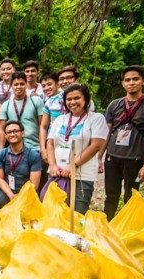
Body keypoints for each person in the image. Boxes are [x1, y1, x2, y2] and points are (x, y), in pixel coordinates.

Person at [100, 65, 144, 218]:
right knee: (111, 195)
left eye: (135, 79)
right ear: (123, 83)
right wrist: (99, 157)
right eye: (127, 80)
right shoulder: (114, 105)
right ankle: (107, 223)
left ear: (143, 81)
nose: (131, 83)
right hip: (113, 157)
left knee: (131, 195)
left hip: (135, 159)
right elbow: (106, 132)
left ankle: (128, 225)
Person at [45, 83, 108, 214]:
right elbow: (50, 143)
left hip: (82, 176)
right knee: (54, 213)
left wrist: (73, 166)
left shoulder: (96, 118)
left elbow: (96, 145)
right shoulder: (60, 119)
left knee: (77, 215)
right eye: (69, 99)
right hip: (58, 173)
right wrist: (52, 165)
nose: (72, 102)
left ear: (86, 99)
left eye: (77, 98)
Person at [0, 121, 42, 210]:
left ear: (22, 133)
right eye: (9, 132)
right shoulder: (1, 154)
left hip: (27, 192)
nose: (12, 134)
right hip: (7, 191)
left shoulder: (33, 155)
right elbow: (0, 179)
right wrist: (11, 195)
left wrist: (20, 196)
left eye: (15, 131)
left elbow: (34, 185)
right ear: (5, 136)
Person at [0, 71, 45, 152]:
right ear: (11, 86)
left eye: (22, 84)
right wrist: (1, 150)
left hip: (34, 148)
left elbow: (42, 126)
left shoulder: (36, 101)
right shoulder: (6, 105)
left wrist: (43, 148)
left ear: (26, 84)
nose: (18, 87)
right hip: (14, 149)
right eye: (15, 84)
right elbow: (2, 129)